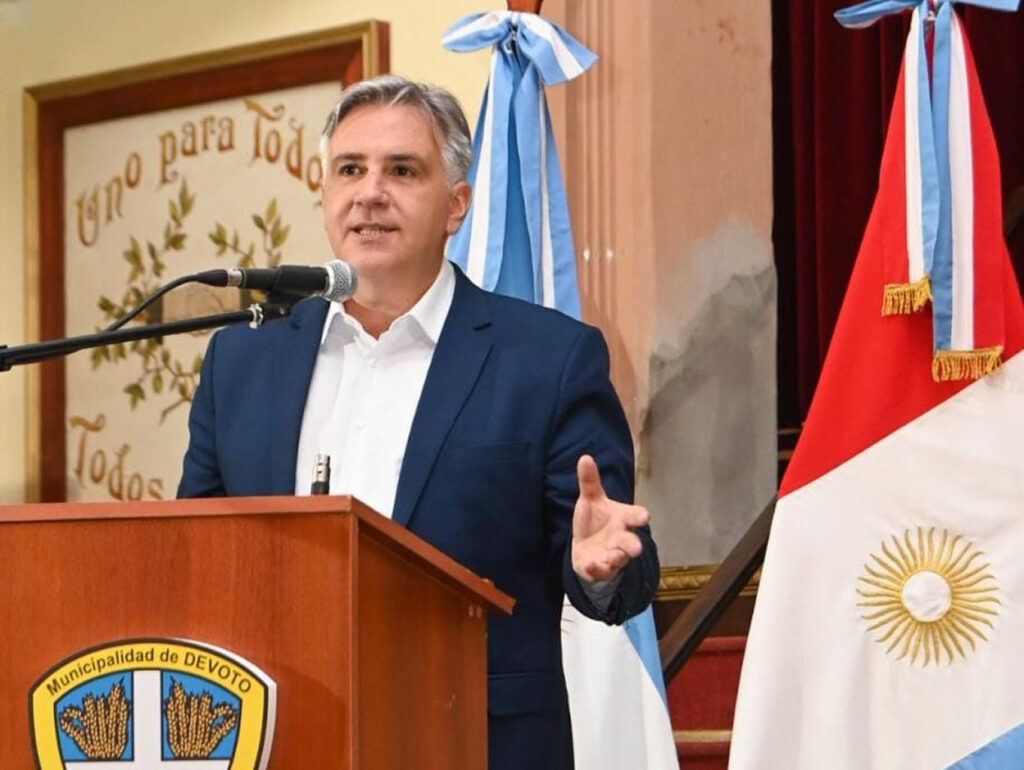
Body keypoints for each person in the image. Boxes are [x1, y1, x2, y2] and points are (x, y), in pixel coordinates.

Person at [178, 74, 659, 770]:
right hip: (279, 738)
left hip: (476, 744)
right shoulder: (242, 360)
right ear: (324, 192)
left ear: (456, 205)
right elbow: (195, 559)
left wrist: (601, 568)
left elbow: (616, 574)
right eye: (350, 169)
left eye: (402, 170)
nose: (369, 193)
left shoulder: (547, 360)